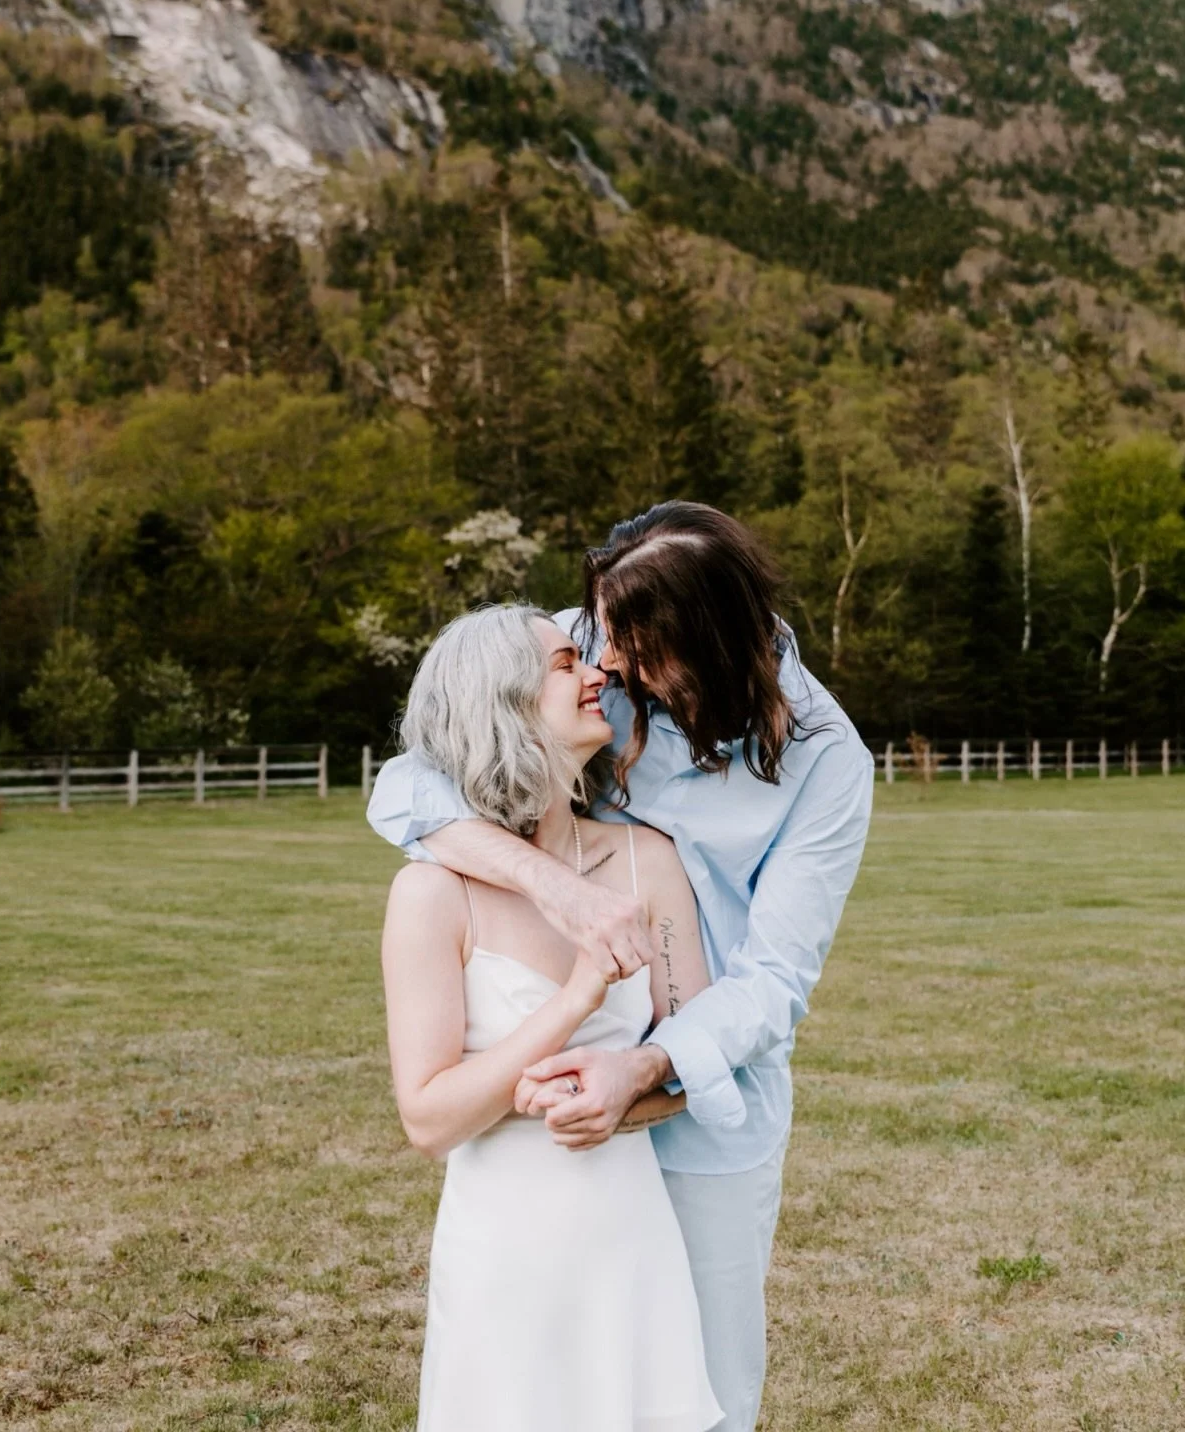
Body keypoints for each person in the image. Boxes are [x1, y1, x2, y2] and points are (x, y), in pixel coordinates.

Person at [371, 502, 875, 1432]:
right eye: (594, 639)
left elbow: (772, 985)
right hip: (543, 1141)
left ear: (719, 645)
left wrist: (641, 1068)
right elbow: (413, 782)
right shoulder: (590, 649)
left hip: (707, 1102)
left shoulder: (829, 763)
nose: (608, 666)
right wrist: (556, 889)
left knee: (700, 1397)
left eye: (634, 652)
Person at [382, 602, 722, 1432]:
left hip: (631, 1239)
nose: (598, 672)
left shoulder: (650, 863)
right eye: (568, 663)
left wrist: (624, 1098)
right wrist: (574, 1003)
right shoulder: (433, 892)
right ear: (500, 701)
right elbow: (428, 1120)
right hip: (505, 1250)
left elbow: (696, 1060)